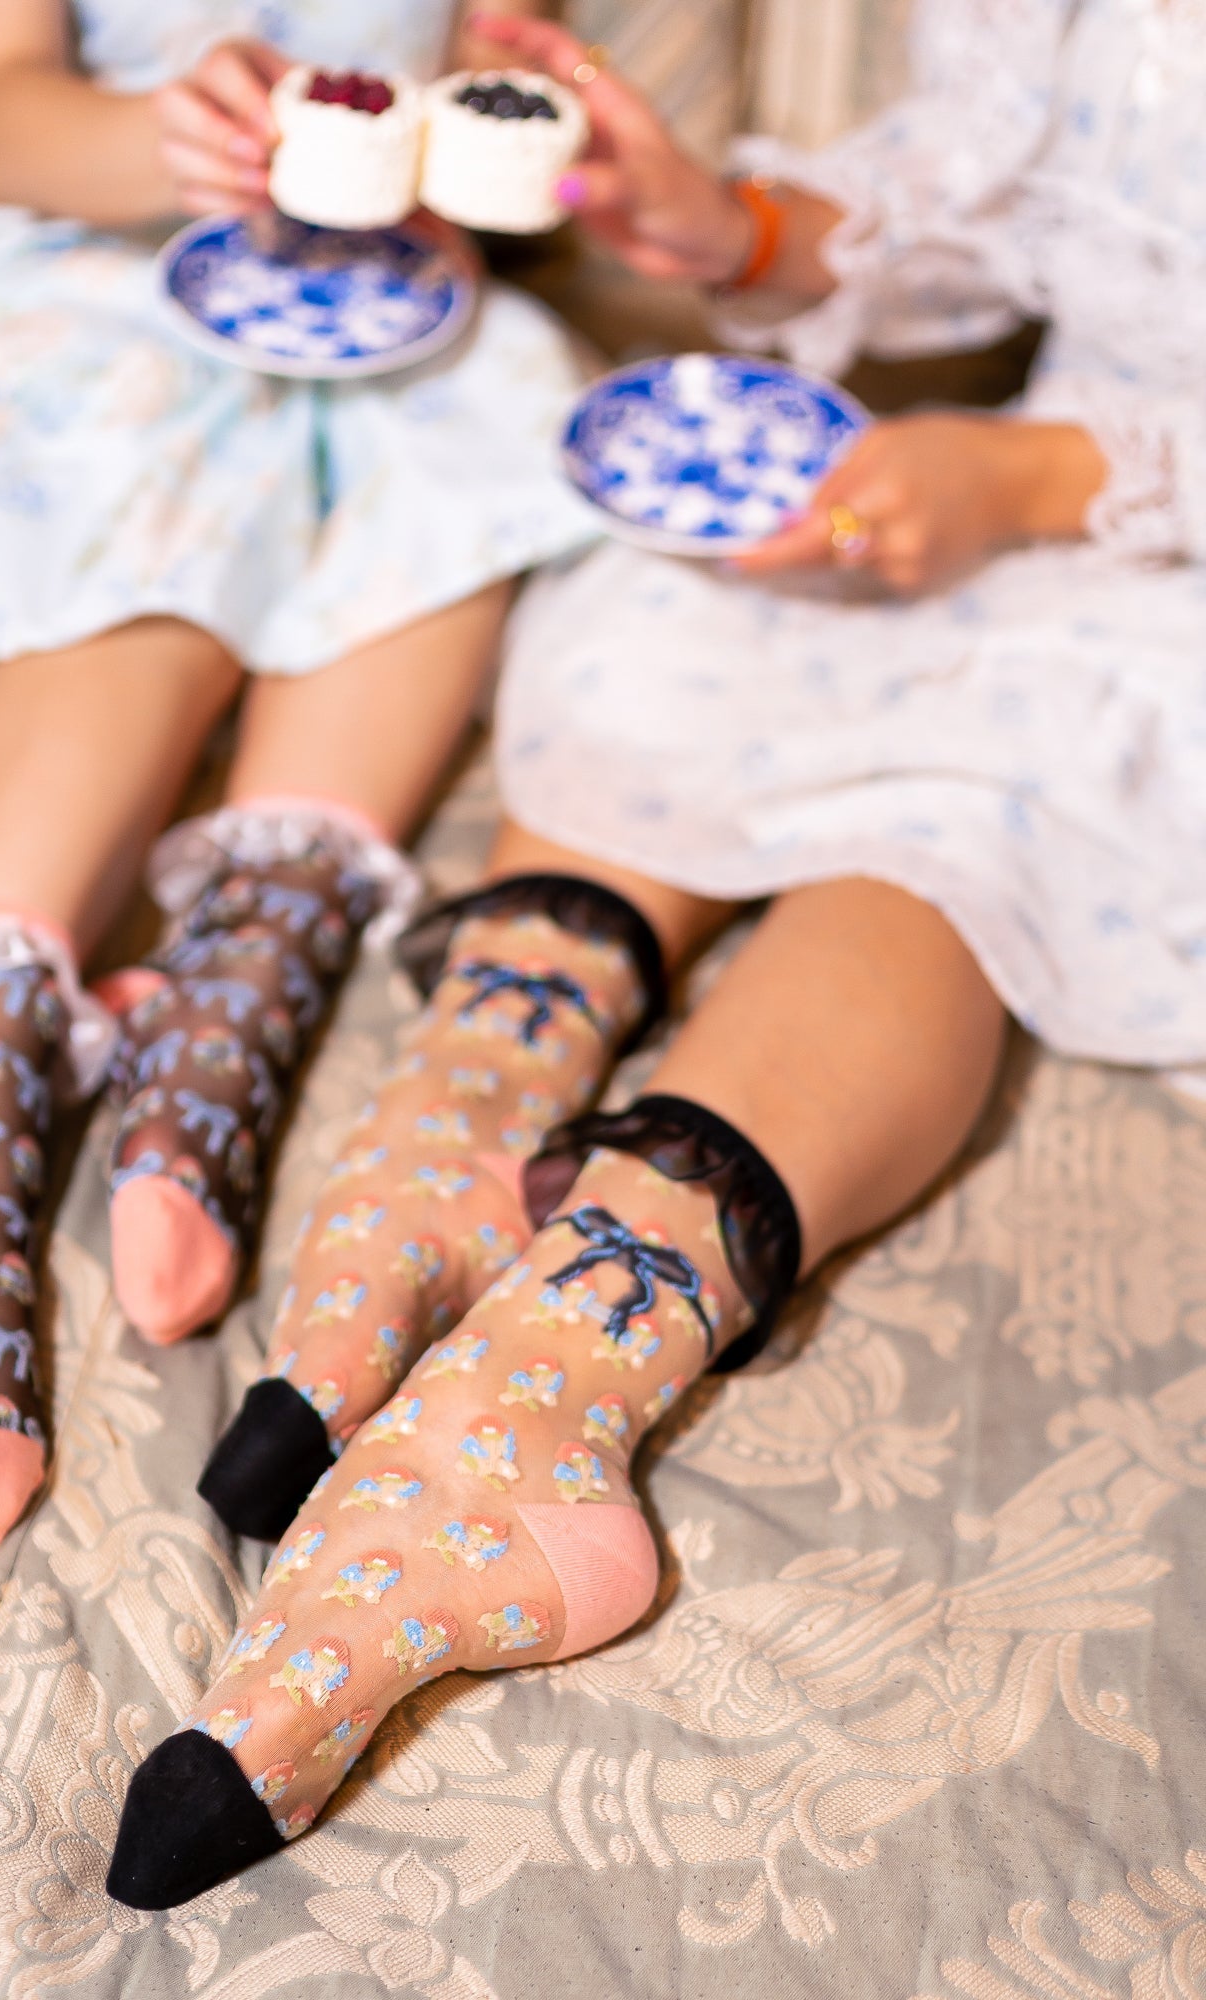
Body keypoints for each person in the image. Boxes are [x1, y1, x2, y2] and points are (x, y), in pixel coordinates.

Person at [107, 0, 1206, 1909]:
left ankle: (551, 1378)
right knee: (655, 642)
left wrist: (1043, 482)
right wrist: (742, 230)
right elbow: (999, 192)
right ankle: (465, 1126)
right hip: (1005, 483)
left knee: (963, 819)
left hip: (1145, 569)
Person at [0, 0, 597, 1575]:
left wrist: (488, 121)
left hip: (347, 277)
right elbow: (6, 121)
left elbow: (486, 81)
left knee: (487, 406)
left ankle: (251, 964)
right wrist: (176, 141)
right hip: (42, 233)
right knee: (158, 437)